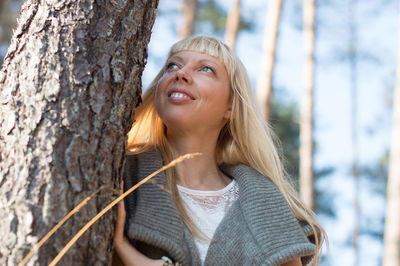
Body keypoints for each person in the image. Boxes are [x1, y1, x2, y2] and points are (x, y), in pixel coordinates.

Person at [113, 36, 327, 266]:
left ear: (230, 108)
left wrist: (129, 253)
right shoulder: (118, 172)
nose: (180, 74)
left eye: (205, 69)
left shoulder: (267, 205)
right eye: (172, 65)